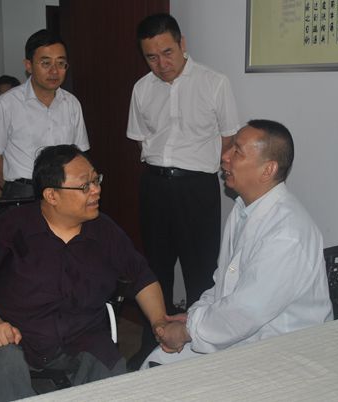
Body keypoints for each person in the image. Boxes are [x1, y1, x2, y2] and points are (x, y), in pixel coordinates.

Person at [0, 145, 167, 401]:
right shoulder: (13, 227)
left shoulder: (105, 231)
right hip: (19, 339)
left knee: (111, 371)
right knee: (7, 362)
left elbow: (142, 278)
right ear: (52, 195)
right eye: (84, 185)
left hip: (84, 339)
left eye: (96, 180)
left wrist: (159, 322)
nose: (96, 190)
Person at [143, 120, 333, 367]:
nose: (225, 157)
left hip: (285, 352)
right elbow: (222, 284)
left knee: (165, 372)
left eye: (237, 152)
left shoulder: (287, 234)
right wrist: (193, 317)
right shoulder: (243, 209)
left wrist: (187, 330)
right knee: (155, 362)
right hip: (241, 337)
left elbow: (246, 311)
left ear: (268, 170)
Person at [125, 13, 241, 368]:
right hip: (154, 186)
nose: (162, 64)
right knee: (154, 269)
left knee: (200, 271)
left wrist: (195, 166)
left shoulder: (214, 83)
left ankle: (198, 347)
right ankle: (153, 343)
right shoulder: (142, 89)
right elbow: (141, 139)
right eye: (151, 57)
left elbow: (228, 138)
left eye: (168, 52)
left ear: (182, 44)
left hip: (197, 189)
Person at [0, 29, 89, 199]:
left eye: (61, 63)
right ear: (28, 65)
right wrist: (13, 191)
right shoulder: (6, 104)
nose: (54, 71)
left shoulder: (72, 104)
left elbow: (80, 152)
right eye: (46, 63)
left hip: (64, 191)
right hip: (23, 192)